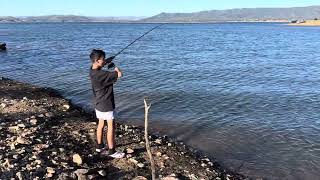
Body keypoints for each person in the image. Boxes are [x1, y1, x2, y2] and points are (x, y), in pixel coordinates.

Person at [89, 49, 125, 158]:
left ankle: (99, 146)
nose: (104, 60)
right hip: (107, 104)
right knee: (111, 126)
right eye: (103, 59)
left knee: (101, 124)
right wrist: (114, 66)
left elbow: (99, 68)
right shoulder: (103, 74)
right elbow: (119, 74)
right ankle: (112, 151)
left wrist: (105, 62)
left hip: (98, 103)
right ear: (98, 61)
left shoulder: (92, 70)